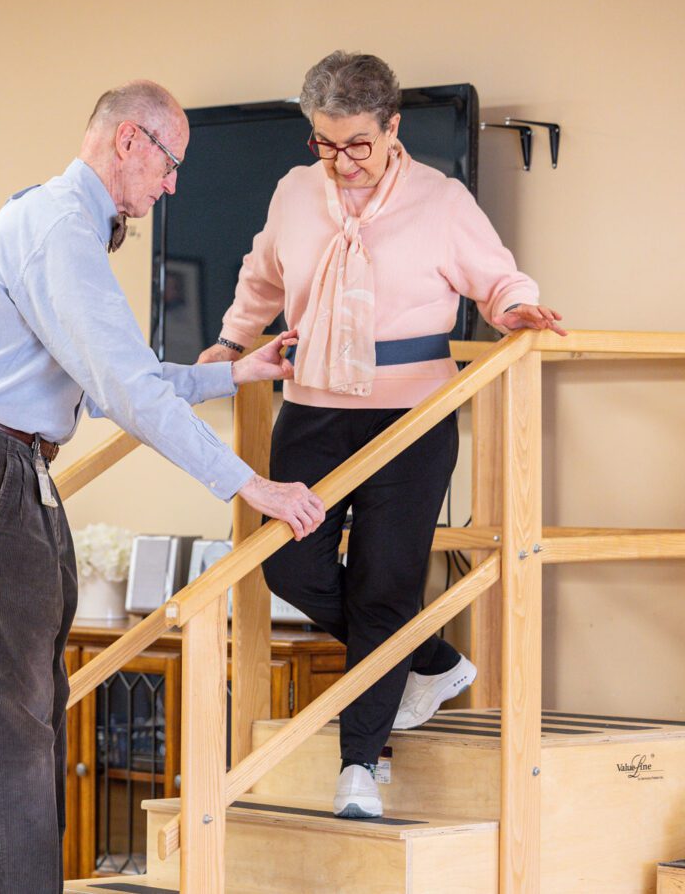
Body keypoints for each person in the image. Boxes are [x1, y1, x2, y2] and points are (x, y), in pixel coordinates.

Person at [0, 80, 325, 893]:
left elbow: (104, 380)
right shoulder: (59, 228)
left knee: (33, 717)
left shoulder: (66, 229)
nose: (171, 186)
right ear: (129, 141)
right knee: (5, 732)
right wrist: (249, 485)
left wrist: (235, 374)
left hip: (9, 468)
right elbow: (125, 391)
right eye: (169, 163)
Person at [197, 51, 565, 820]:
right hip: (312, 407)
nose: (341, 163)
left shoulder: (441, 198)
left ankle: (358, 769)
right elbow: (261, 276)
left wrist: (518, 311)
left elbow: (497, 279)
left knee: (385, 586)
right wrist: (233, 344)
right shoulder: (296, 192)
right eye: (325, 144)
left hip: (414, 417)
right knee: (289, 569)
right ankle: (428, 660)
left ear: (392, 127)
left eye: (356, 144)